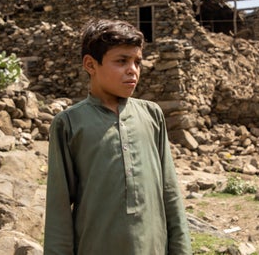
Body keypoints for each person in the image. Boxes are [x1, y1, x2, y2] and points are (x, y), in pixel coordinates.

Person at [43, 18, 192, 254]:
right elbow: (58, 210)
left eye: (137, 62)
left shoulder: (151, 115)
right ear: (90, 65)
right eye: (121, 61)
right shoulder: (69, 124)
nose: (132, 70)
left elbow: (170, 193)